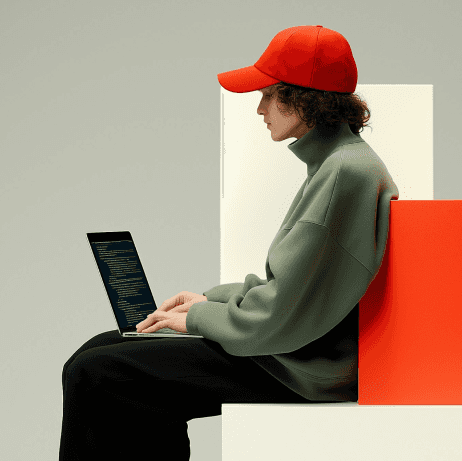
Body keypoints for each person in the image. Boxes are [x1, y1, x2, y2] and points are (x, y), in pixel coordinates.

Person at [59, 25, 399, 460]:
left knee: (98, 372)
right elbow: (298, 287)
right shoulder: (339, 164)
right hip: (296, 350)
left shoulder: (345, 174)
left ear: (304, 98)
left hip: (304, 366)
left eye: (268, 94)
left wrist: (201, 317)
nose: (259, 109)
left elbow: (281, 314)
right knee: (99, 351)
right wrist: (211, 300)